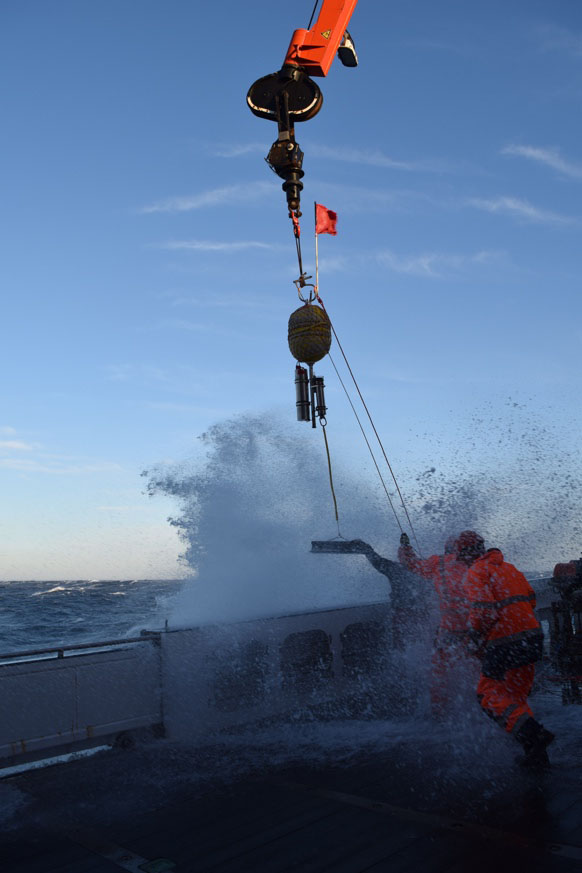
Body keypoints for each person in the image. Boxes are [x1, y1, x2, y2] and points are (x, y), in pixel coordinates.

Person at [460, 530, 555, 767]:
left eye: (461, 556)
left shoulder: (476, 571)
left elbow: (483, 612)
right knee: (514, 697)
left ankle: (534, 735)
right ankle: (536, 754)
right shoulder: (510, 568)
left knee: (486, 694)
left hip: (506, 640)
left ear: (467, 553)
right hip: (532, 636)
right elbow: (531, 600)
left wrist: (472, 636)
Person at [397, 531, 472, 717]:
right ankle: (482, 705)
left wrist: (405, 548)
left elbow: (412, 565)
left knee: (439, 669)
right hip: (476, 626)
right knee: (478, 665)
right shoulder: (478, 565)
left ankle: (439, 712)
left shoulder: (439, 563)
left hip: (450, 627)